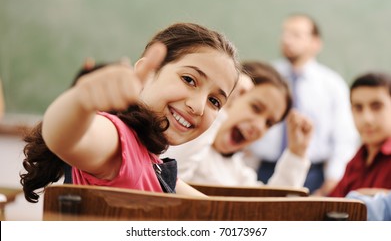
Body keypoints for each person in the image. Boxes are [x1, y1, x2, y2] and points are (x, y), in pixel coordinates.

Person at [20, 22, 241, 203]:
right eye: (189, 80)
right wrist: (80, 101)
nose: (199, 106)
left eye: (214, 101)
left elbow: (217, 212)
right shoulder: (118, 143)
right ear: (149, 71)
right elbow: (65, 138)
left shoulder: (152, 163)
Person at [248, 13, 359, 195]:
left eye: (296, 35)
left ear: (316, 43)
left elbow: (344, 139)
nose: (286, 39)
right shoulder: (266, 76)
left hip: (313, 175)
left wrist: (332, 181)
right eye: (284, 33)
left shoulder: (332, 85)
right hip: (261, 171)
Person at [164, 61, 312, 187]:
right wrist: (221, 109)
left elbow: (271, 210)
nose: (260, 126)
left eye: (269, 123)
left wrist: (296, 154)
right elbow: (170, 178)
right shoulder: (177, 142)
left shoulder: (238, 171)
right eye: (256, 108)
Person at [328, 72, 391, 197]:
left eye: (376, 107)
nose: (366, 119)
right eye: (358, 108)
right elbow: (332, 205)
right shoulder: (356, 160)